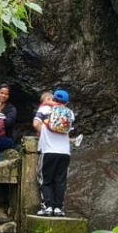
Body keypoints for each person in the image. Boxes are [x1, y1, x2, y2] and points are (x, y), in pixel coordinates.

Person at [33, 89, 74, 217]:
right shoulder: (70, 113)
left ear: (54, 99)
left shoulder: (44, 110)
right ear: (66, 102)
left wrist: (44, 134)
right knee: (60, 180)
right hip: (64, 152)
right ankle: (58, 208)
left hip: (49, 150)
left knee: (45, 180)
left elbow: (35, 124)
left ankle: (47, 207)